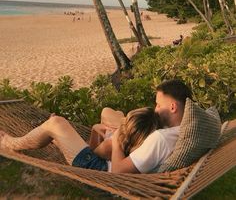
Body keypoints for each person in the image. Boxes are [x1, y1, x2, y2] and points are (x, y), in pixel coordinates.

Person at [0, 79, 192, 174]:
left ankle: (10, 144)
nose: (156, 108)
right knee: (108, 113)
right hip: (109, 155)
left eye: (158, 104)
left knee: (56, 123)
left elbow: (118, 173)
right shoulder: (180, 129)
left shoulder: (160, 139)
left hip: (99, 169)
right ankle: (66, 137)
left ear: (173, 107)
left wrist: (116, 140)